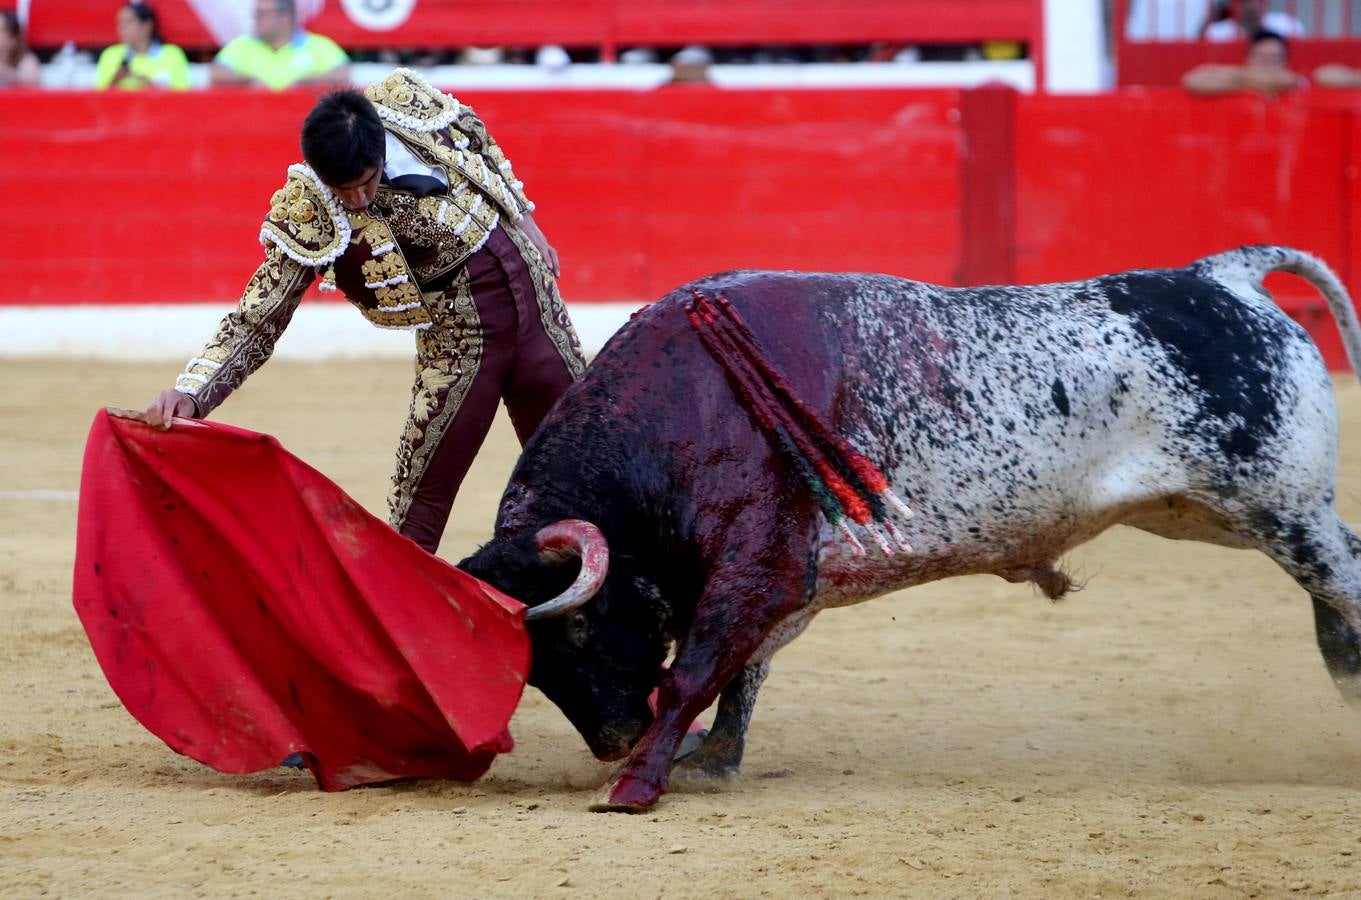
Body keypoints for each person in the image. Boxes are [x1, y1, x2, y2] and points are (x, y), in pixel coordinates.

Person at [144, 69, 586, 554]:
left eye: (366, 181)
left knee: (582, 467)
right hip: (462, 340)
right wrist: (192, 391)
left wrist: (524, 216)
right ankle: (398, 624)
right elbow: (260, 315)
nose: (358, 199)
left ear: (379, 149)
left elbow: (475, 137)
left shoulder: (406, 101)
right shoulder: (310, 210)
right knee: (416, 511)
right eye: (343, 190)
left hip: (538, 302)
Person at [211, 0, 349, 90]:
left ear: (285, 17)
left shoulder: (318, 46)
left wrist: (302, 83)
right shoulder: (242, 45)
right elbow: (216, 74)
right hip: (252, 124)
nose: (256, 19)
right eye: (256, 13)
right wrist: (250, 80)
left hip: (304, 124)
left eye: (262, 14)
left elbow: (342, 75)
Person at [94, 2, 190, 91]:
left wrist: (151, 85)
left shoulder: (172, 54)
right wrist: (115, 80)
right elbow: (96, 99)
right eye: (120, 23)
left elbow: (183, 95)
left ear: (147, 25)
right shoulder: (111, 55)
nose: (121, 28)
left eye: (128, 22)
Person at [1182, 29, 1304, 96]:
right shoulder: (1241, 78)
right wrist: (1247, 82)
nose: (1267, 64)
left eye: (1274, 58)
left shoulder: (1297, 82)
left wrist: (1240, 81)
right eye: (1262, 57)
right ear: (1248, 58)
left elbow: (1285, 81)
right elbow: (1192, 81)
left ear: (1285, 62)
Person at [1202, 0, 1304, 41]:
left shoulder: (1289, 25)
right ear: (1232, 5)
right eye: (1244, 1)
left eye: (1259, 0)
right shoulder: (1215, 33)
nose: (1252, 7)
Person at [0, 10, 40, 87]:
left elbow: (33, 82)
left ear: (14, 37)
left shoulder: (25, 59)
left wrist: (4, 71)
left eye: (1, 30)